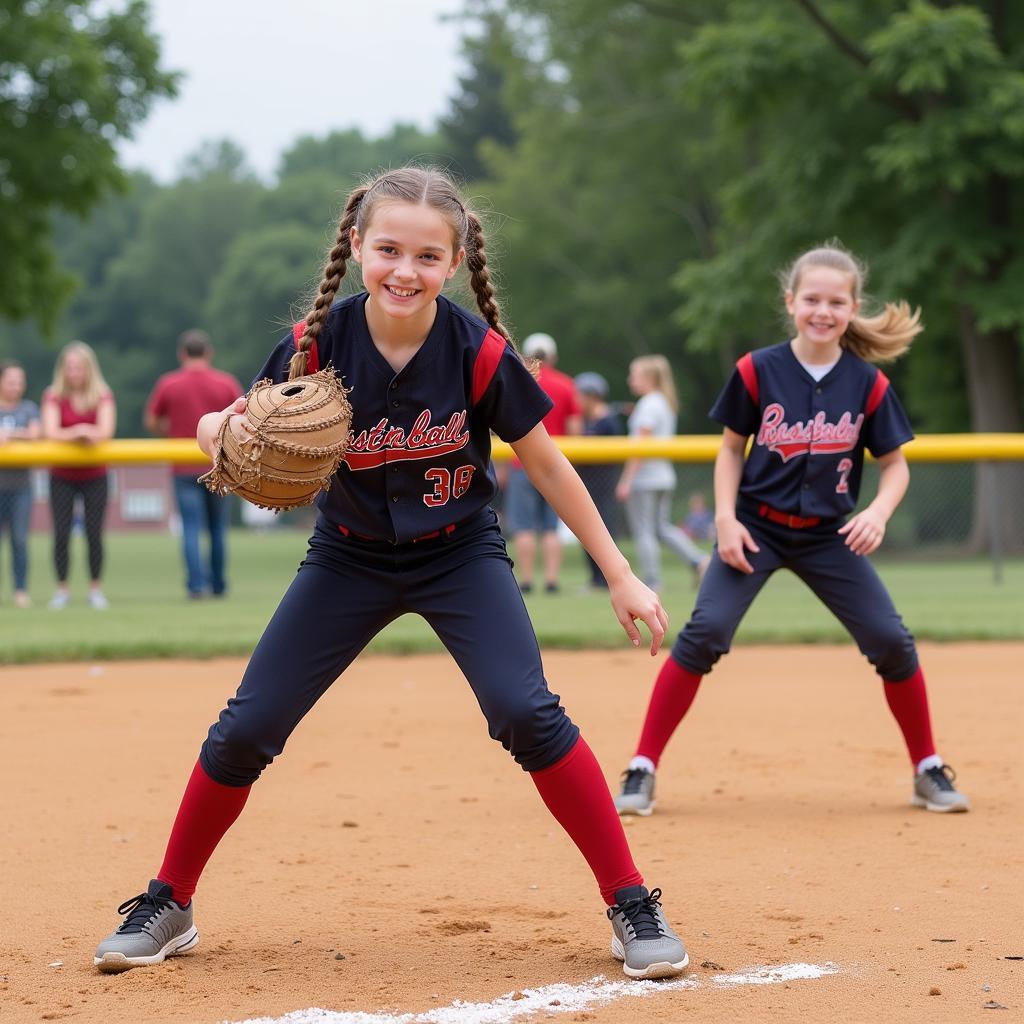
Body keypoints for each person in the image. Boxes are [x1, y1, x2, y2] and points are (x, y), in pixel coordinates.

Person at [93, 167, 688, 981]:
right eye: (388, 250)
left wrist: (619, 573)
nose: (404, 270)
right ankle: (170, 900)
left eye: (426, 255)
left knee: (526, 709)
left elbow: (548, 468)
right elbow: (228, 427)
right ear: (357, 248)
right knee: (247, 726)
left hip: (459, 554)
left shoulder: (478, 352)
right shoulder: (315, 343)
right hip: (347, 558)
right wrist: (210, 428)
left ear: (453, 262)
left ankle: (630, 903)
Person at [614, 243, 970, 818]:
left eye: (836, 301)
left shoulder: (868, 383)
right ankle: (642, 768)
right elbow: (731, 451)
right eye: (811, 299)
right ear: (790, 302)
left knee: (891, 641)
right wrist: (726, 519)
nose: (822, 311)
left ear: (853, 308)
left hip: (829, 534)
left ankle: (927, 766)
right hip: (755, 528)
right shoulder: (758, 370)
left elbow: (896, 465)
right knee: (704, 634)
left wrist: (876, 512)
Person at [146, 330, 243, 599]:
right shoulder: (225, 383)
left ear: (182, 354)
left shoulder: (168, 384)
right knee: (217, 529)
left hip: (183, 466)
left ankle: (196, 586)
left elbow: (152, 420)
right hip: (219, 464)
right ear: (209, 353)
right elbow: (242, 416)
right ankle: (219, 585)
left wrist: (171, 428)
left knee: (190, 527)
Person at [616, 356, 709, 592]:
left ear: (649, 378)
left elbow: (641, 446)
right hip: (664, 476)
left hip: (645, 478)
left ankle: (652, 580)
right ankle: (699, 560)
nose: (630, 380)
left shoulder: (649, 404)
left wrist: (626, 480)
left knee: (644, 530)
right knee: (660, 527)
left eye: (634, 375)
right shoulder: (662, 402)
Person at [503, 332, 581, 594]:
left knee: (523, 526)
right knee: (550, 527)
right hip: (554, 465)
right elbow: (575, 431)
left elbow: (503, 426)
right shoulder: (567, 385)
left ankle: (525, 580)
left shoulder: (519, 380)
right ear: (553, 356)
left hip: (519, 464)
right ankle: (551, 580)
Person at [41, 342, 116, 610]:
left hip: (95, 474)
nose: (74, 373)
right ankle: (62, 589)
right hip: (61, 474)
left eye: (79, 368)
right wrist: (79, 432)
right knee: (61, 533)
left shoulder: (102, 394)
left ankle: (95, 588)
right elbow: (50, 431)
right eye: (69, 368)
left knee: (94, 533)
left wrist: (86, 433)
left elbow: (105, 431)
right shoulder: (53, 395)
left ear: (89, 369)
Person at [575, 371, 625, 589]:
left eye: (581, 395)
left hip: (603, 483)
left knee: (604, 528)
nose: (578, 400)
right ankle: (595, 579)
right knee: (585, 528)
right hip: (586, 482)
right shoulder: (586, 422)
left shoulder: (608, 422)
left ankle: (606, 577)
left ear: (593, 396)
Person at [0, 361, 41, 608]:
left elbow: (36, 434)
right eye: (11, 382)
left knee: (19, 539)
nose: (16, 387)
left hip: (20, 486)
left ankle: (20, 589)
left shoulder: (28, 408)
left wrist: (10, 436)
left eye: (20, 382)